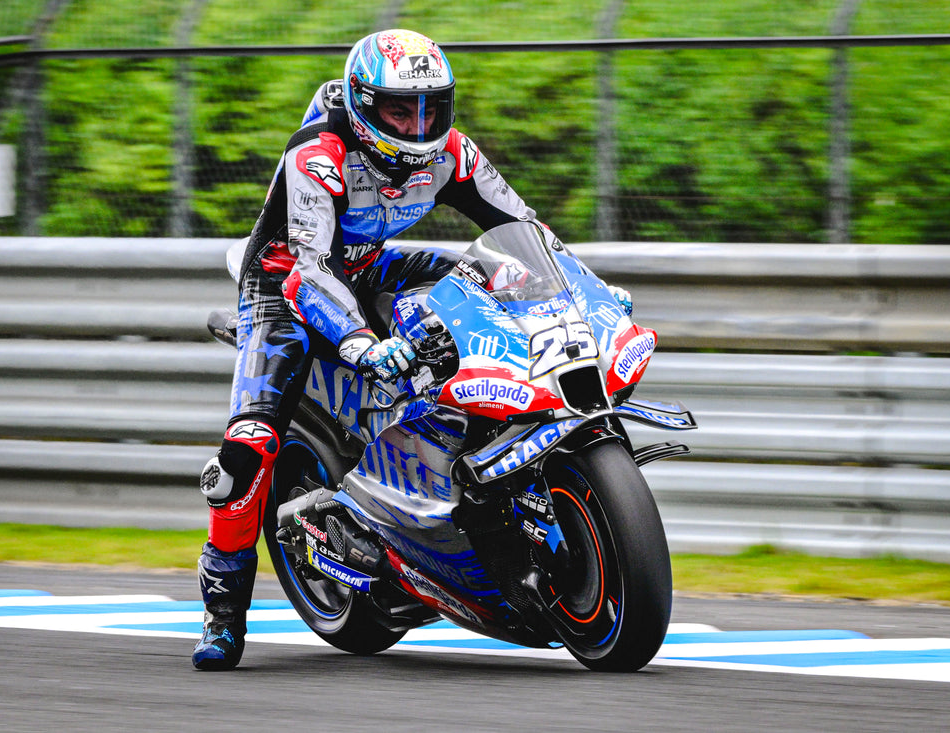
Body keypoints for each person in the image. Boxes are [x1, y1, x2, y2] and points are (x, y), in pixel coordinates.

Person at [191, 28, 633, 671]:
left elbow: (526, 231)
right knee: (246, 450)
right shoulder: (316, 156)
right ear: (365, 104)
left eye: (431, 108)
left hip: (371, 265)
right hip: (283, 285)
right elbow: (310, 272)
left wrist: (583, 296)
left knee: (488, 277)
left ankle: (460, 461)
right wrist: (363, 344)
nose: (419, 124)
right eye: (401, 109)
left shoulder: (452, 152)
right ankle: (222, 615)